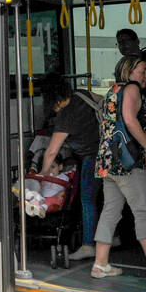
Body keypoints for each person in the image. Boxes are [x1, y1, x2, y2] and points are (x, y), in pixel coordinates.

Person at [93, 55, 146, 282]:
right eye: (142, 70)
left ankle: (100, 264)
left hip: (109, 161)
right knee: (143, 212)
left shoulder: (113, 91)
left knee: (110, 211)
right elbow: (130, 120)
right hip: (129, 162)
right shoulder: (131, 89)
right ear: (129, 71)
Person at [37, 74, 101, 261]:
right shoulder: (81, 95)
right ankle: (112, 237)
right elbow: (104, 102)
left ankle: (88, 245)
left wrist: (41, 175)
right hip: (107, 152)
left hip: (92, 158)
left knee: (88, 200)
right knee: (107, 198)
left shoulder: (65, 118)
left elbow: (51, 152)